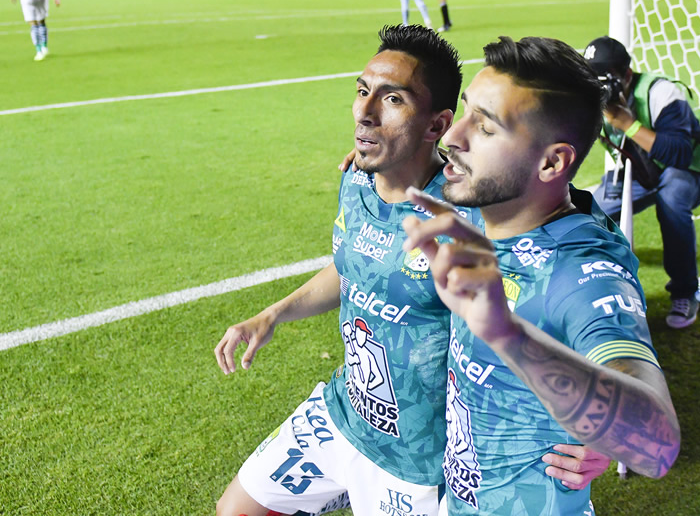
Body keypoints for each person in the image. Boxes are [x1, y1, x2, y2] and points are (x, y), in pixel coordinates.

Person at [214, 26, 607, 516]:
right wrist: (273, 314)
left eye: (392, 99)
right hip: (344, 414)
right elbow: (357, 267)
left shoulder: (473, 213)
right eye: (362, 92)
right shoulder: (358, 178)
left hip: (421, 465)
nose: (365, 111)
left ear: (436, 125)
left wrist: (602, 429)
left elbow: (572, 291)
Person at [401, 35, 682, 515]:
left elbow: (657, 447)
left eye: (484, 129)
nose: (452, 137)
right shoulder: (487, 206)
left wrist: (507, 334)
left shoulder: (582, 272)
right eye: (467, 112)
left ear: (553, 162)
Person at [582, 36, 700, 329]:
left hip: (688, 169)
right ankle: (591, 290)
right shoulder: (589, 100)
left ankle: (684, 291)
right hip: (639, 168)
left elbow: (679, 154)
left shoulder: (663, 93)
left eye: (607, 81)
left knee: (672, 200)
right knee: (591, 214)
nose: (600, 89)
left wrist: (627, 123)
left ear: (626, 75)